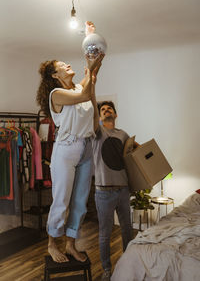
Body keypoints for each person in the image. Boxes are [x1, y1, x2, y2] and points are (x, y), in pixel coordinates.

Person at [36, 36, 104, 263]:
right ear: (55, 75)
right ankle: (52, 243)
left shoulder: (77, 87)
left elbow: (89, 92)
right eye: (62, 66)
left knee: (80, 201)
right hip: (66, 150)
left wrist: (93, 72)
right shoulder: (56, 95)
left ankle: (71, 244)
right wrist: (91, 73)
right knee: (61, 201)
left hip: (86, 146)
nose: (67, 65)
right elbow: (84, 94)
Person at [92, 100, 139, 281]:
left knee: (127, 229)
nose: (106, 111)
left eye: (109, 108)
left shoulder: (123, 134)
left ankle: (127, 265)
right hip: (103, 192)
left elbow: (135, 149)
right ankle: (106, 269)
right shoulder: (96, 132)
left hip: (123, 190)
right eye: (102, 110)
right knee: (105, 233)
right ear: (100, 116)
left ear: (115, 114)